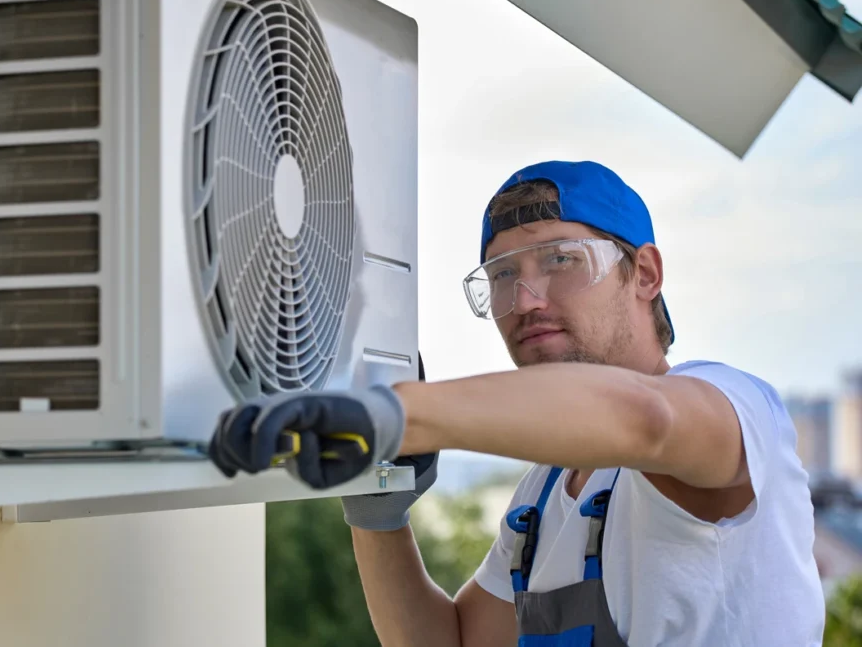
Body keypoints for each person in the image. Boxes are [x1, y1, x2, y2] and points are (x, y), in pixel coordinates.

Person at [207, 160, 826, 645]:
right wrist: (378, 515)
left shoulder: (735, 406)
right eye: (502, 275)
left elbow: (646, 419)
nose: (526, 299)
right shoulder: (543, 493)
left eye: (561, 260)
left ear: (644, 274)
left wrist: (397, 413)